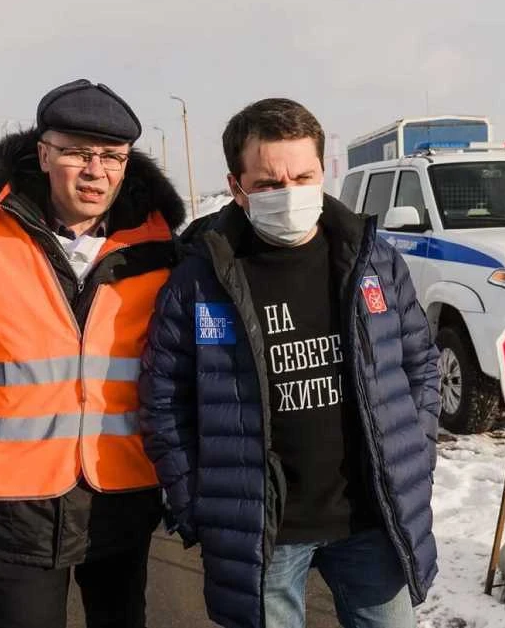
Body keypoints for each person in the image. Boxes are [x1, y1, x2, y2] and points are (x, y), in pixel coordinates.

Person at [0, 79, 186, 628]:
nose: (95, 170)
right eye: (76, 151)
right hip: (16, 504)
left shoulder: (159, 248)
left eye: (112, 156)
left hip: (120, 495)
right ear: (44, 153)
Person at [139, 98, 441, 628]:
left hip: (370, 521)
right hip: (262, 531)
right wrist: (198, 505)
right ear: (237, 188)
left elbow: (420, 365)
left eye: (303, 177)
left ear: (324, 172)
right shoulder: (201, 277)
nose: (290, 194)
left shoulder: (371, 258)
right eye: (268, 184)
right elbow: (164, 400)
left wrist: (414, 459)